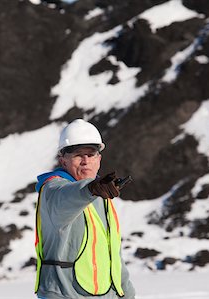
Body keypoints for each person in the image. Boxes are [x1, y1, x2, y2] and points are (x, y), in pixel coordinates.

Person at [34, 119, 136, 298]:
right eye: (78, 155)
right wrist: (91, 188)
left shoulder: (102, 196)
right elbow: (66, 198)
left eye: (91, 154)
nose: (85, 161)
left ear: (99, 159)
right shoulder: (52, 191)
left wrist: (126, 293)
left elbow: (114, 257)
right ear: (63, 160)